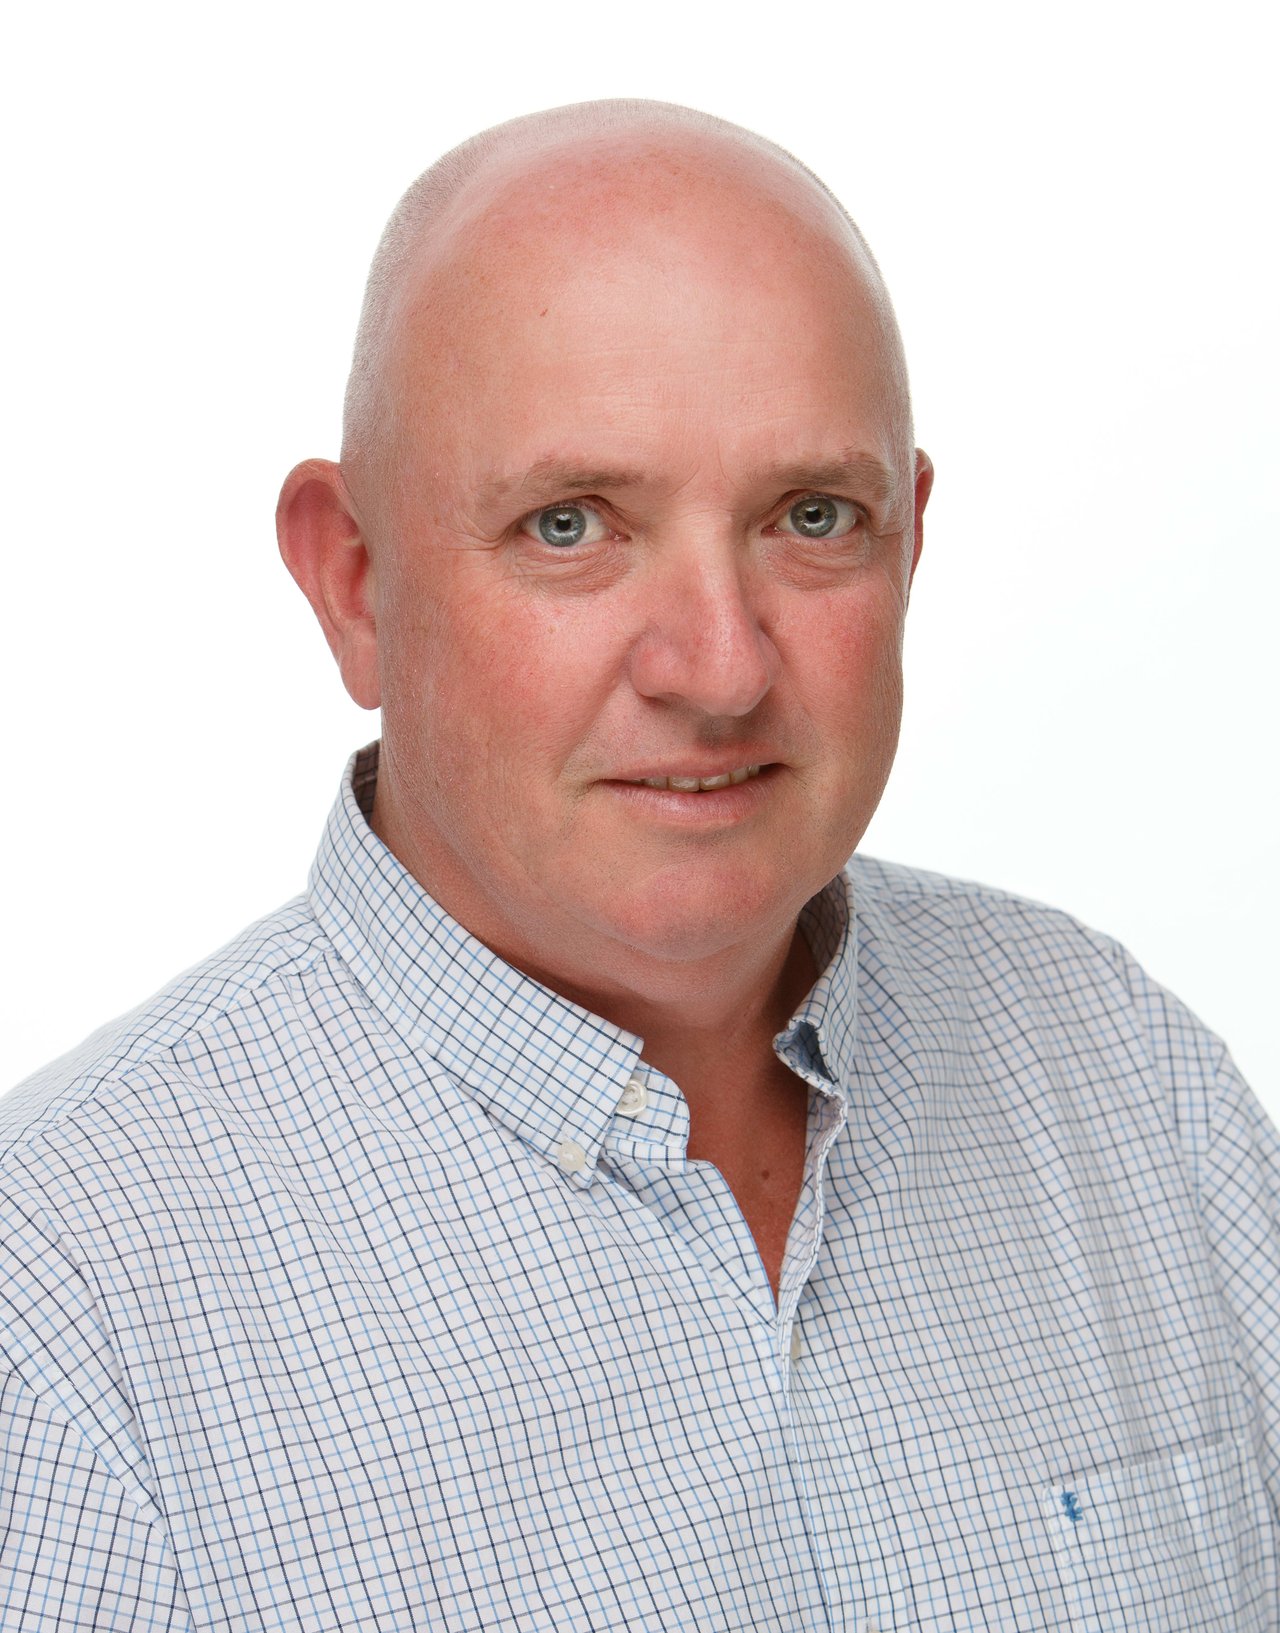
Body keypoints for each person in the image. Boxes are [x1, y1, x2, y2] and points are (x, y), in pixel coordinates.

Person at [0, 97, 1274, 1633]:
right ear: (354, 581)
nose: (719, 667)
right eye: (570, 526)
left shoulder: (1129, 1082)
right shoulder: (66, 1321)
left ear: (910, 541)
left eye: (812, 516)